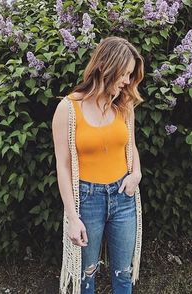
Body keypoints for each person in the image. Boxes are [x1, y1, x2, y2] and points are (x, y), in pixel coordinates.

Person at [52, 36, 144, 294]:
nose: (127, 81)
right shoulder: (68, 109)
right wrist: (72, 218)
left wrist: (136, 173)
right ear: (106, 67)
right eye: (124, 74)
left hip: (124, 198)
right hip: (87, 200)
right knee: (86, 274)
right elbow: (63, 166)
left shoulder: (124, 106)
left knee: (123, 273)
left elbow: (131, 146)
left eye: (130, 75)